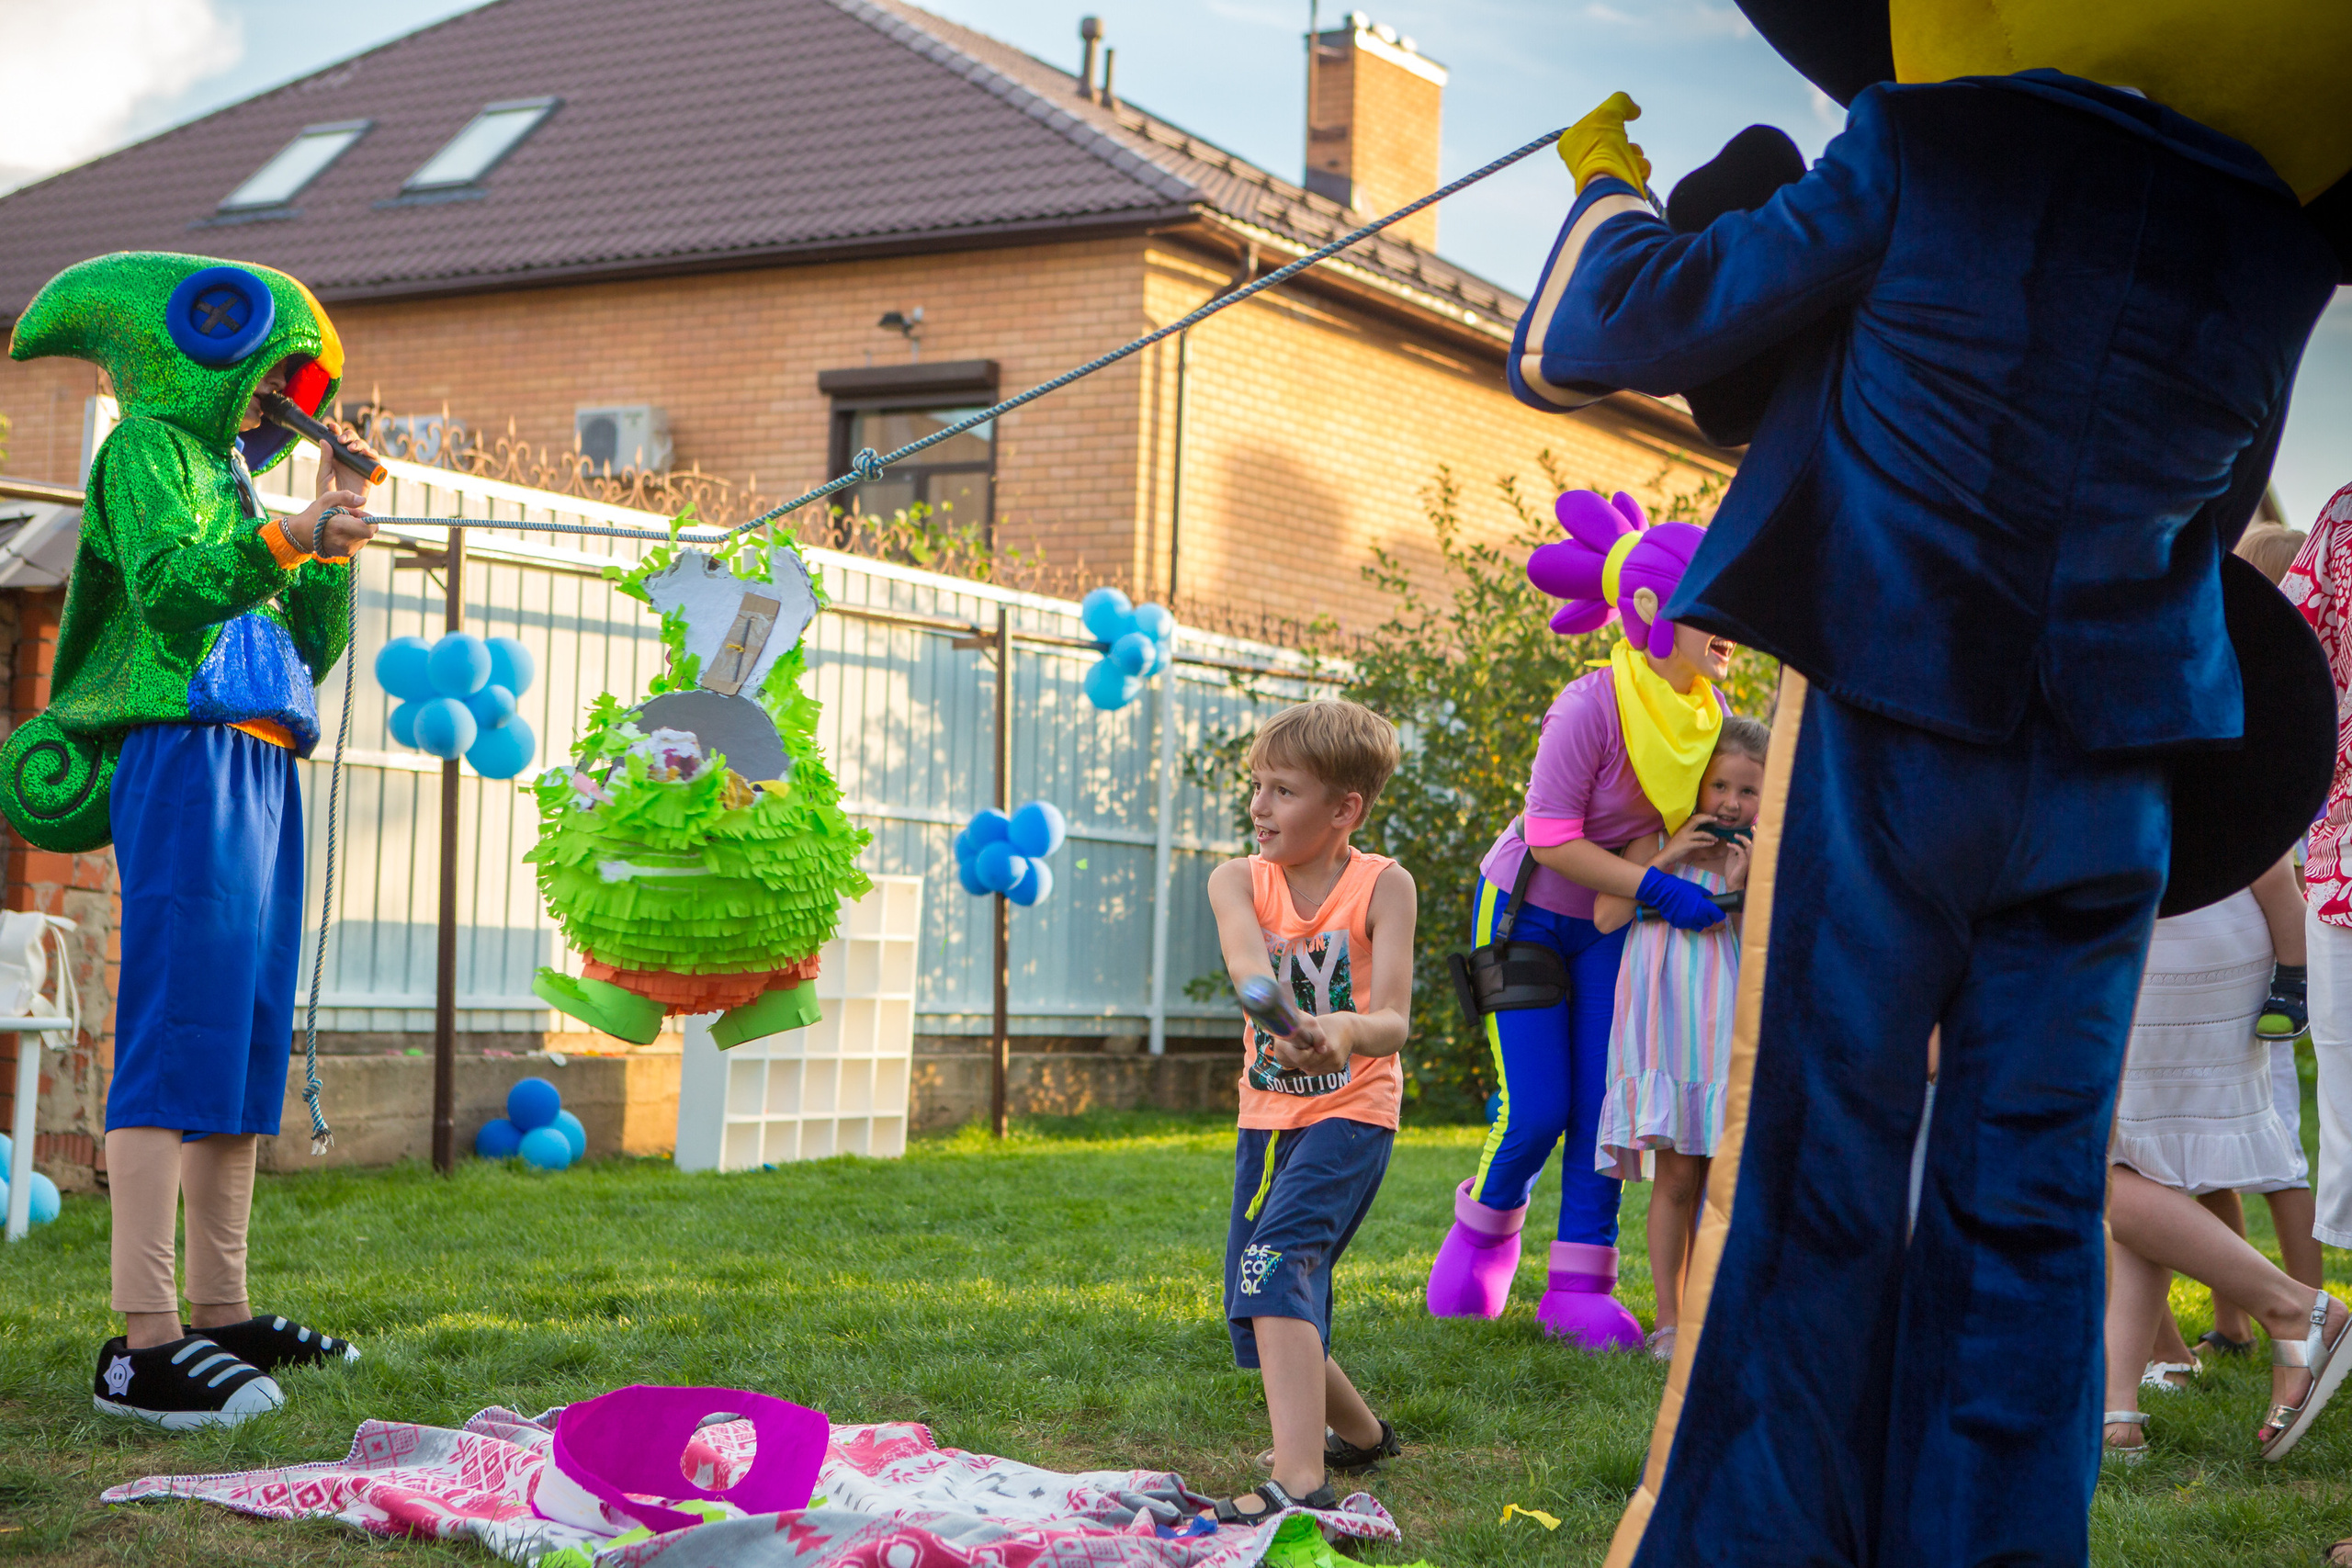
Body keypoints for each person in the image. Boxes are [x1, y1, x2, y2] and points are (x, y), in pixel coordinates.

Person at [1506, 6, 2349, 1563]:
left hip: (1897, 721)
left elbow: (1599, 334)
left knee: (1816, 1171)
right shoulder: (2277, 243)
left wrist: (1611, 188)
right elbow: (2212, 519)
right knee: (2029, 1213)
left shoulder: (1931, 142)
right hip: (2113, 775)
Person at [4, 254, 379, 1427]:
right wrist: (285, 537)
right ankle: (143, 1337)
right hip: (185, 752)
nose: (283, 393)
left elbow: (306, 646)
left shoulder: (228, 477)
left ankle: (221, 1308)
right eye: (272, 373)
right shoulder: (146, 454)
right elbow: (171, 592)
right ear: (207, 351)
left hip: (265, 756)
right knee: (179, 1019)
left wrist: (325, 525)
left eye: (292, 381)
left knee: (248, 1026)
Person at [1424, 489, 1734, 1350]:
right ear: (1650, 607)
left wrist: (1668, 884)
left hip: (1609, 919)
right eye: (1710, 597)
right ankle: (1481, 1236)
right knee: (1536, 1106)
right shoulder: (1589, 705)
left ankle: (1580, 1284)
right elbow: (1554, 836)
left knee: (1604, 1106)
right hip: (1524, 910)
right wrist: (1663, 890)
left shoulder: (1703, 722)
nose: (1729, 618)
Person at [1204, 699, 1415, 1521]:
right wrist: (1288, 1026)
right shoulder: (1236, 879)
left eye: (1283, 790)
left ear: (1344, 809)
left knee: (1273, 1269)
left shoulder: (1383, 884)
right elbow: (1250, 972)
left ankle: (1298, 1483)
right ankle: (1360, 1436)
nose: (1259, 805)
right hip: (1267, 1119)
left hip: (1353, 1112)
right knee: (1257, 1292)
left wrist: (1343, 1031)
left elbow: (1393, 1016)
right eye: (1257, 785)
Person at [2099, 879, 2346, 1464]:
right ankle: (2117, 1413)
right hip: (2158, 929)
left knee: (2094, 1163)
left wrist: (2293, 975)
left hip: (2161, 940)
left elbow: (2257, 841)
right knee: (2137, 1165)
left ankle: (2296, 1308)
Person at [1592, 716, 1767, 1362]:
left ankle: (1713, 1314)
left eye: (1746, 790)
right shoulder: (1658, 837)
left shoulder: (1764, 854)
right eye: (1718, 784)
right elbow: (1608, 915)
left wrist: (1746, 890)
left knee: (1724, 1179)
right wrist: (1666, 863)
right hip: (1666, 1028)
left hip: (1726, 1031)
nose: (1728, 802)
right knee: (1675, 1177)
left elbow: (1768, 950)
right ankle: (1669, 1321)